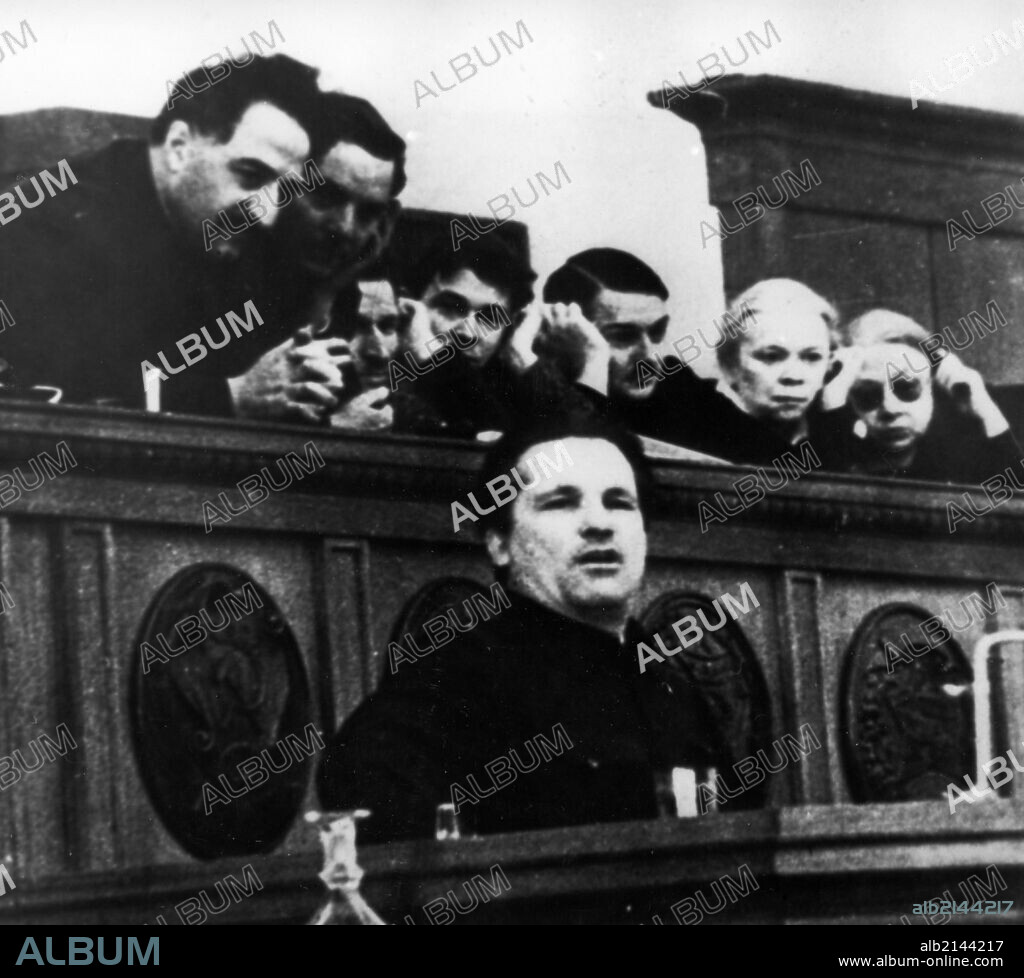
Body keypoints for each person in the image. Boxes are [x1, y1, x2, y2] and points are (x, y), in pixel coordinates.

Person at [317, 415, 722, 841]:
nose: (599, 523)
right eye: (561, 502)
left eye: (619, 502)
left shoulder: (673, 687)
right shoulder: (457, 678)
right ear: (499, 542)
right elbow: (362, 790)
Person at [0, 55, 345, 421]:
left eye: (284, 190)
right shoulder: (49, 225)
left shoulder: (231, 232)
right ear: (179, 146)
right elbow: (46, 403)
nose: (267, 212)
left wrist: (305, 379)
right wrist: (230, 396)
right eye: (250, 174)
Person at [228, 91, 408, 424]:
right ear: (281, 185)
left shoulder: (346, 298)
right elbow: (132, 391)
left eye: (368, 213)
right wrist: (233, 395)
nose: (344, 227)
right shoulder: (217, 269)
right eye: (326, 196)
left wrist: (325, 293)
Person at [835, 310, 1020, 483]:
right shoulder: (839, 454)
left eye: (907, 387)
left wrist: (988, 412)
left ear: (931, 387)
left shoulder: (964, 457)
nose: (890, 408)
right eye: (868, 395)